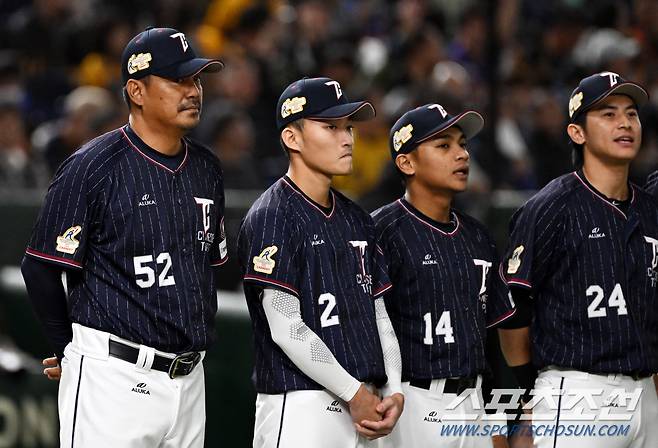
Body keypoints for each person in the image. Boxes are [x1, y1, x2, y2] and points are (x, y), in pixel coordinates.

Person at [20, 27, 227, 447]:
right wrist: (69, 351)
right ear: (136, 90)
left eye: (196, 79)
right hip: (113, 377)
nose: (193, 91)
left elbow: (210, 266)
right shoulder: (91, 166)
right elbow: (40, 268)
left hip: (189, 380)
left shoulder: (207, 167)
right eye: (178, 80)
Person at [237, 77, 404, 447]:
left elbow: (379, 315)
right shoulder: (272, 215)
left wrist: (393, 389)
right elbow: (287, 328)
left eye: (348, 127)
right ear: (292, 138)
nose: (347, 138)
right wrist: (355, 393)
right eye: (330, 127)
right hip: (303, 405)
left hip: (367, 406)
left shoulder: (358, 219)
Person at [498, 72, 658, 447]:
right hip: (578, 391)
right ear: (577, 133)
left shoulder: (650, 210)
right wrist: (529, 392)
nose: (624, 123)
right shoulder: (550, 207)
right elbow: (513, 313)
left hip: (645, 392)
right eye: (607, 114)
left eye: (631, 114)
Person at [371, 104, 515, 448]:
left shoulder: (478, 235)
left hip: (476, 400)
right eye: (444, 145)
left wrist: (496, 420)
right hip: (413, 401)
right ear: (407, 162)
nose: (462, 154)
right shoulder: (381, 231)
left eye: (462, 144)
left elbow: (492, 340)